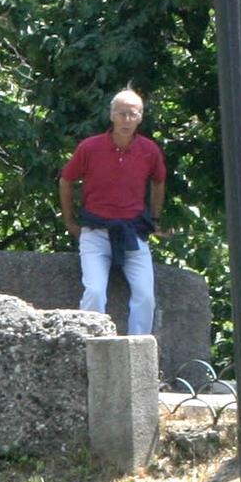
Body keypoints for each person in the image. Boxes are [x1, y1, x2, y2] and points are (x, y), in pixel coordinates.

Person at [58, 89, 167, 339]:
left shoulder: (149, 150)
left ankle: (137, 350)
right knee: (95, 292)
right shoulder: (90, 147)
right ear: (112, 116)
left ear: (140, 117)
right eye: (122, 113)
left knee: (145, 296)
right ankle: (90, 346)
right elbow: (66, 180)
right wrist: (70, 221)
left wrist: (155, 219)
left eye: (133, 114)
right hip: (95, 231)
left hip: (133, 232)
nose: (127, 119)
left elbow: (159, 182)